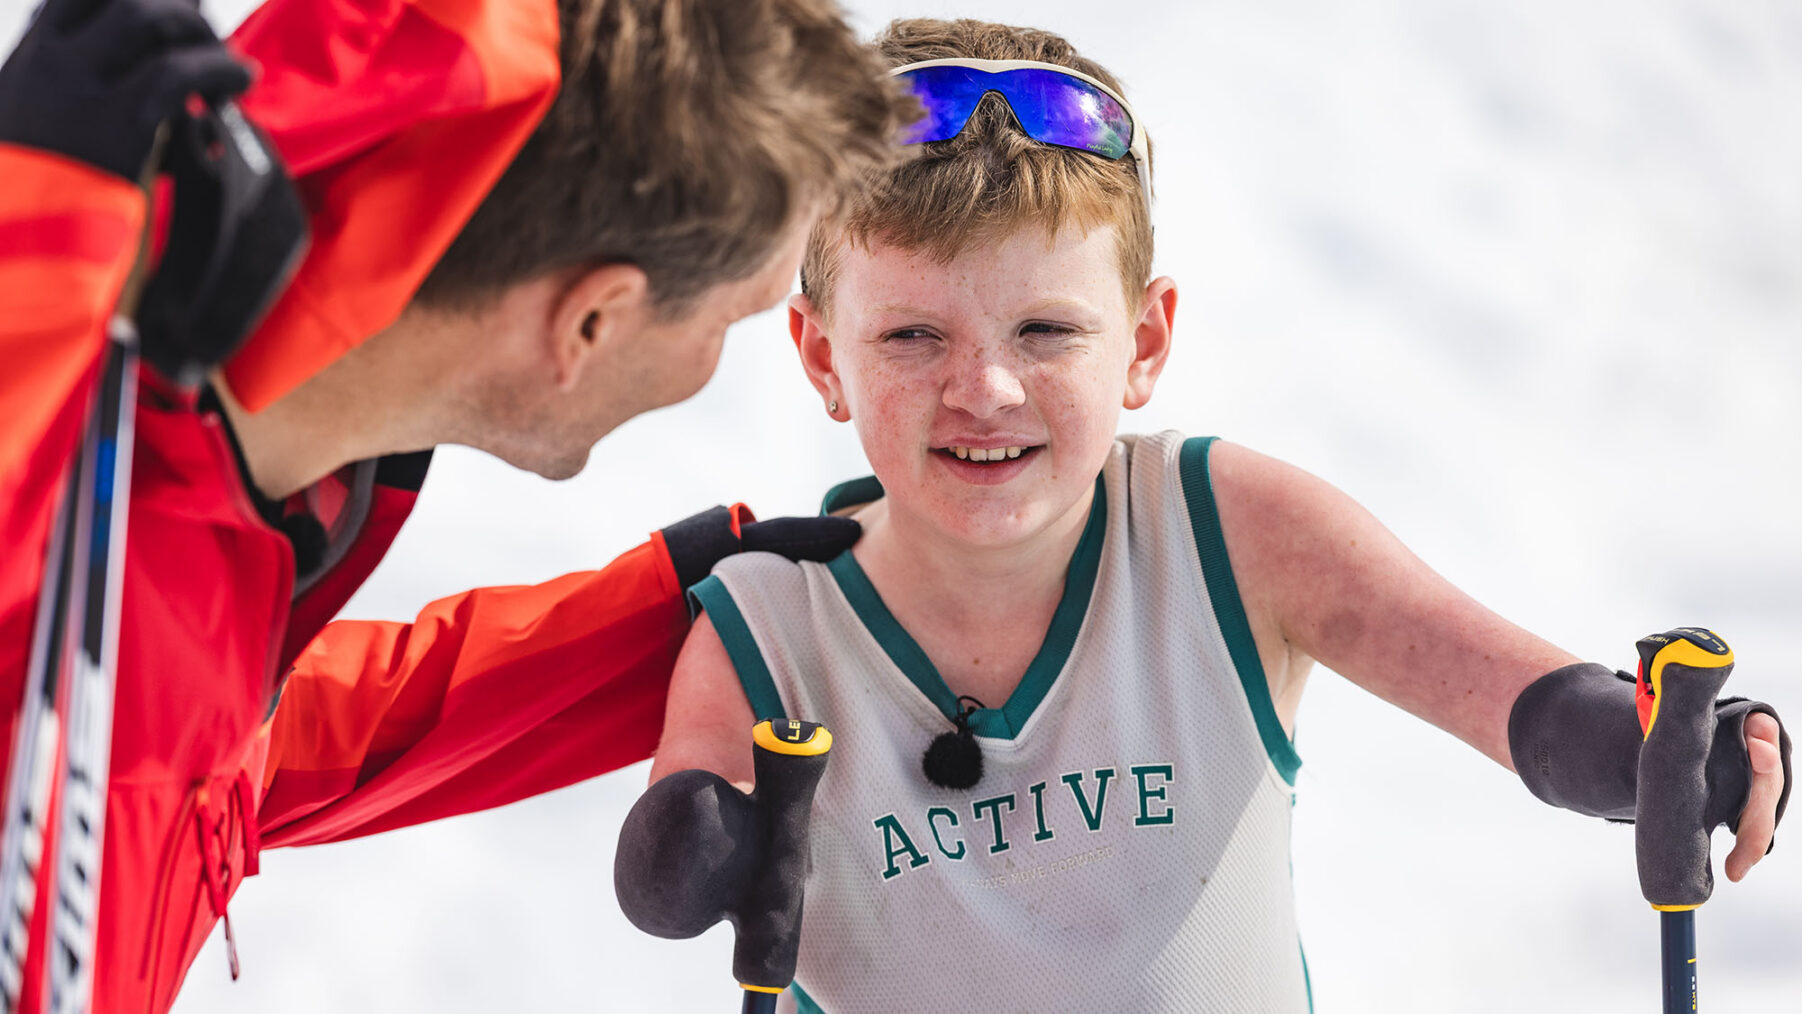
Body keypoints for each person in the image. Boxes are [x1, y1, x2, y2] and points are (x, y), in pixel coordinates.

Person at [641, 18, 1792, 1011]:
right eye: (910, 336)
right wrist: (697, 849)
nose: (982, 389)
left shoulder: (1224, 533)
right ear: (818, 354)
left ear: (1142, 342)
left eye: (1045, 331)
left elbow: (1517, 703)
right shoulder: (766, 629)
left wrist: (1643, 751)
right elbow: (671, 853)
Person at [0, 0, 914, 1010]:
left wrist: (684, 619)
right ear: (593, 320)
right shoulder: (62, 520)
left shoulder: (223, 523)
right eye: (736, 318)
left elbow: (239, 752)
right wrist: (31, 247)